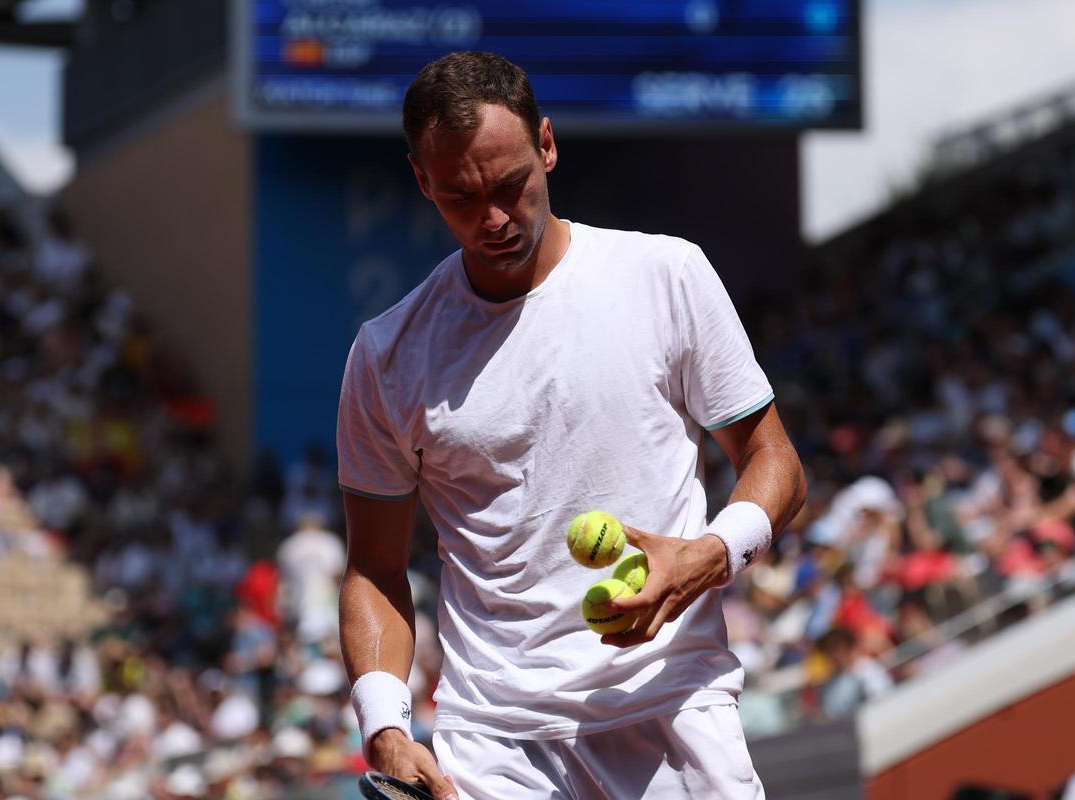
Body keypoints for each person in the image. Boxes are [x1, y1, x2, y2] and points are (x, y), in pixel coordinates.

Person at [337, 51, 806, 800]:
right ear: (422, 182)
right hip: (492, 746)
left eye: (510, 185)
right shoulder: (386, 355)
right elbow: (375, 568)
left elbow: (774, 459)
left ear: (547, 146)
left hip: (673, 705)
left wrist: (709, 556)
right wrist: (386, 727)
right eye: (460, 196)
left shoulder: (666, 275)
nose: (492, 218)